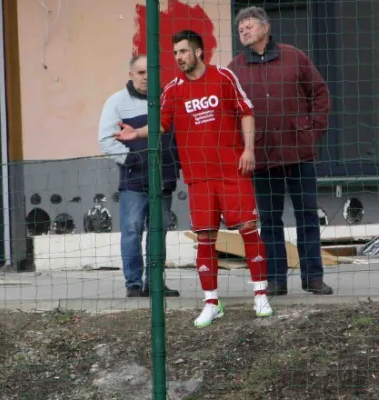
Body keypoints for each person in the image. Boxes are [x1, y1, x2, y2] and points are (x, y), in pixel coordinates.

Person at [114, 31, 273, 327]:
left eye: (184, 51)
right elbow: (161, 123)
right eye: (176, 53)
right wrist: (135, 133)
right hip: (198, 178)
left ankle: (260, 295)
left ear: (199, 52)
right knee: (205, 238)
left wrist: (248, 150)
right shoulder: (173, 90)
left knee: (249, 230)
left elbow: (247, 112)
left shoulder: (223, 77)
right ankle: (211, 302)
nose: (179, 58)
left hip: (231, 171)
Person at [228, 6, 333, 296]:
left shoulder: (294, 56)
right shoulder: (235, 68)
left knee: (307, 216)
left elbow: (320, 93)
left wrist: (311, 132)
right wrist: (242, 148)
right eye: (240, 29)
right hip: (261, 157)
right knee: (270, 221)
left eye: (248, 26)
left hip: (299, 153)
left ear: (265, 27)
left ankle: (313, 277)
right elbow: (228, 112)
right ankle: (275, 279)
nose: (244, 31)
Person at [99, 54, 181, 298]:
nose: (146, 77)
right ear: (131, 74)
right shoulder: (116, 102)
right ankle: (133, 283)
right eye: (141, 72)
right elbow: (106, 141)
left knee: (159, 231)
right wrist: (134, 161)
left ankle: (155, 282)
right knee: (132, 230)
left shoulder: (168, 98)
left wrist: (176, 163)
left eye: (150, 72)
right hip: (134, 180)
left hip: (164, 178)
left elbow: (180, 135)